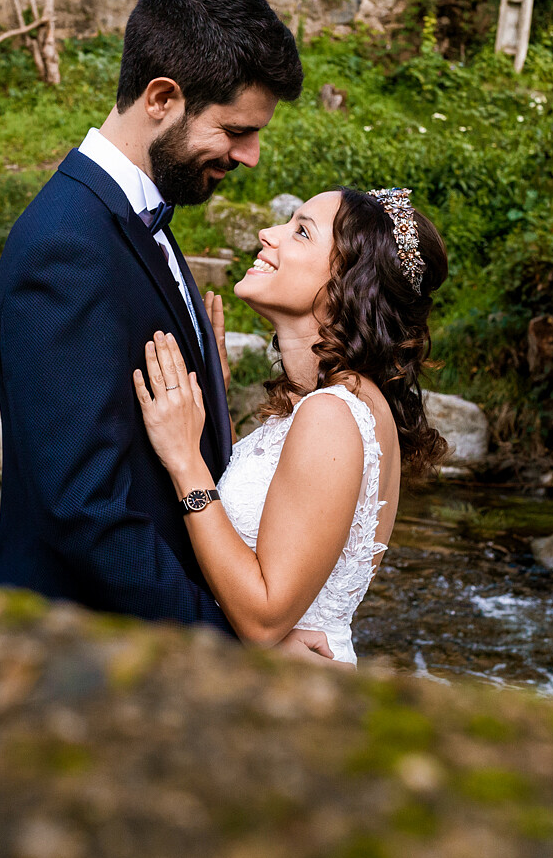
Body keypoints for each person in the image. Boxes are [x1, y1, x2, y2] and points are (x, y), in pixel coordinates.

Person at [0, 0, 303, 634]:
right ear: (162, 97)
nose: (249, 156)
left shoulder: (131, 219)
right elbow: (84, 510)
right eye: (236, 129)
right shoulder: (66, 246)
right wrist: (227, 645)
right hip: (84, 656)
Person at [132, 187, 449, 664]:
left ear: (348, 284)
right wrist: (213, 402)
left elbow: (262, 619)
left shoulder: (333, 414)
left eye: (301, 231)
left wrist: (184, 462)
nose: (268, 233)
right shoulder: (332, 404)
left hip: (283, 695)